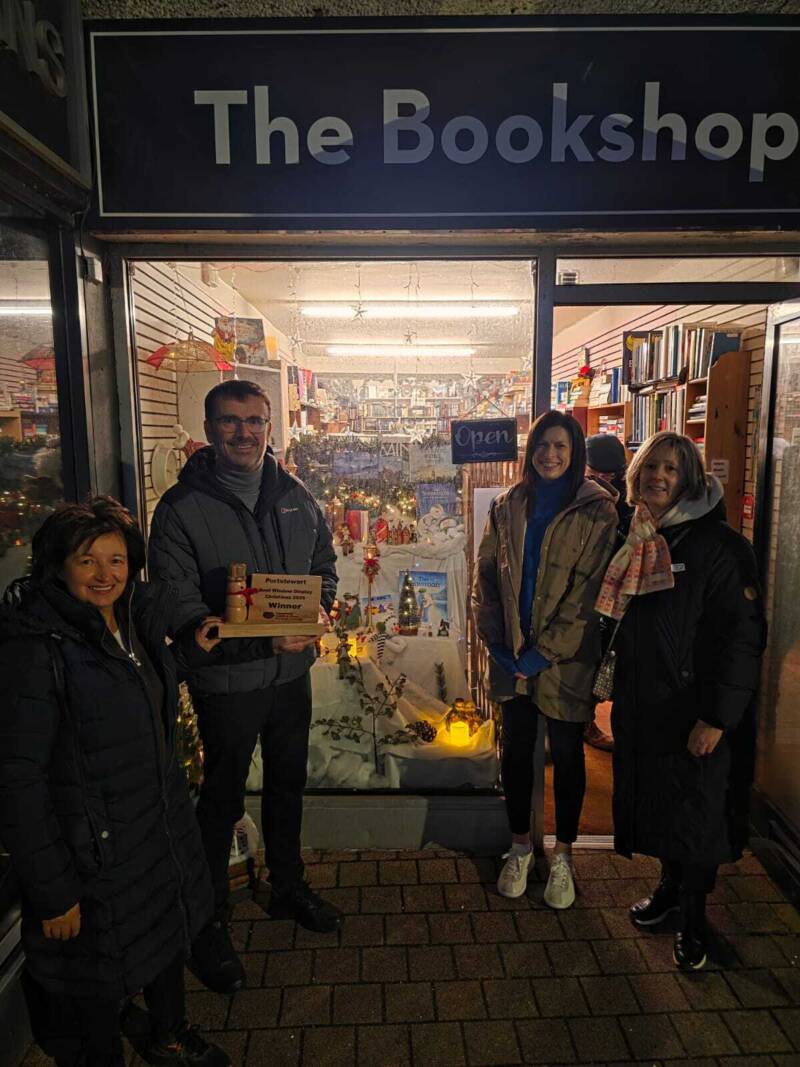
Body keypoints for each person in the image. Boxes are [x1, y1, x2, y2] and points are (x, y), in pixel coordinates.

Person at [0, 497, 229, 1067]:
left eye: (118, 561)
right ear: (57, 566)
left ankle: (170, 1034)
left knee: (164, 934)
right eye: (88, 562)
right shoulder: (37, 649)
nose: (106, 575)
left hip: (153, 827)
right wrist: (53, 891)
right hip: (93, 848)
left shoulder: (131, 620)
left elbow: (142, 690)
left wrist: (189, 655)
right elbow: (18, 780)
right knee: (96, 982)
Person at [148, 379, 339, 996]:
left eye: (254, 421)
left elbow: (324, 569)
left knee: (287, 785)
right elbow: (180, 609)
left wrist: (319, 614)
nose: (244, 432)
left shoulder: (295, 495)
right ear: (209, 429)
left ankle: (287, 884)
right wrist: (263, 641)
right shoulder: (179, 509)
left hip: (289, 679)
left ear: (269, 426)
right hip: (227, 684)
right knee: (221, 800)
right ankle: (208, 925)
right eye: (230, 421)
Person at [597, 431, 766, 971]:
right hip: (646, 704)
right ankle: (668, 892)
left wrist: (717, 717)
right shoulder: (636, 536)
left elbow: (740, 639)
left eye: (671, 469)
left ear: (689, 479)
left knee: (696, 819)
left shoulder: (718, 548)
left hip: (693, 711)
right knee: (663, 808)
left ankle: (694, 922)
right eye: (650, 467)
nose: (659, 477)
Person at [472, 411, 618, 908]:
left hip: (565, 659)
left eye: (560, 446)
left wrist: (541, 654)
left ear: (575, 451)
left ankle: (564, 856)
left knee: (568, 754)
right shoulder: (508, 503)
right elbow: (485, 574)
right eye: (542, 445)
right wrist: (495, 640)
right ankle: (519, 848)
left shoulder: (599, 510)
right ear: (530, 450)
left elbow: (587, 595)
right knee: (515, 750)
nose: (550, 455)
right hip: (511, 652)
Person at [583, 432, 633, 753]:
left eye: (611, 474)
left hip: (619, 588)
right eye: (595, 474)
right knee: (586, 656)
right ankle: (585, 720)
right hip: (584, 586)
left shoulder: (630, 499)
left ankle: (600, 721)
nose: (603, 480)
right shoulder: (575, 492)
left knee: (613, 659)